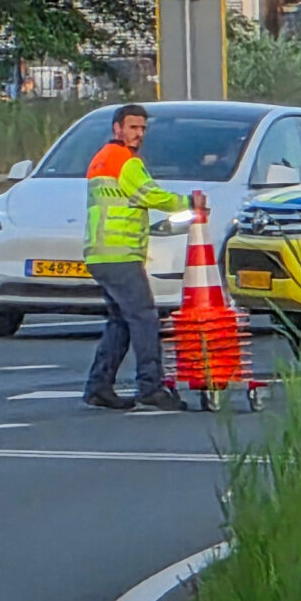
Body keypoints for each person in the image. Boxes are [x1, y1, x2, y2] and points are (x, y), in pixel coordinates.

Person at [81, 104, 190, 412]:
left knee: (121, 321)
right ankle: (150, 387)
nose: (139, 134)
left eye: (142, 128)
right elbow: (150, 195)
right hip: (120, 253)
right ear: (117, 128)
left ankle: (99, 386)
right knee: (144, 318)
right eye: (132, 127)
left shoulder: (101, 158)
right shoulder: (125, 161)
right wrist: (188, 202)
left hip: (101, 253)